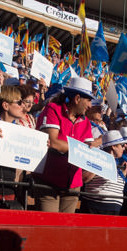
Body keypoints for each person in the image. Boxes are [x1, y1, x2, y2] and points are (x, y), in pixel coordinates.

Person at [33, 77, 94, 213]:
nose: (90, 105)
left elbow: (90, 151)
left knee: (65, 230)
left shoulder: (86, 122)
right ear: (77, 99)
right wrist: (82, 149)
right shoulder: (53, 109)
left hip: (73, 184)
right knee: (49, 227)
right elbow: (53, 142)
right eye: (88, 100)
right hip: (48, 181)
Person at [80, 130, 127, 215]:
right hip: (96, 206)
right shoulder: (97, 158)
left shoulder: (117, 162)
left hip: (113, 207)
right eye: (122, 145)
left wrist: (124, 173)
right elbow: (84, 178)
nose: (124, 147)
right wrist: (100, 164)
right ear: (113, 146)